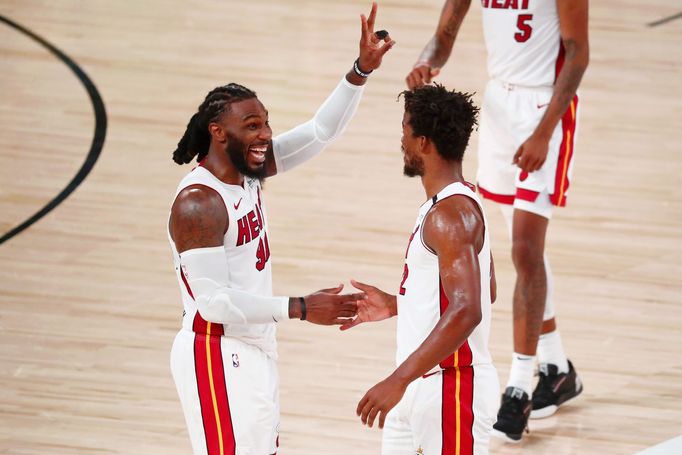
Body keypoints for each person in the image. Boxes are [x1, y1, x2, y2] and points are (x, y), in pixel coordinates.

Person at [166, 4, 394, 454]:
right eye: (252, 125)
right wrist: (302, 307)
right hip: (216, 352)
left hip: (253, 346)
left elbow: (320, 132)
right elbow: (212, 304)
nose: (265, 134)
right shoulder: (199, 203)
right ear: (217, 132)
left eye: (266, 122)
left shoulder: (248, 168)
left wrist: (360, 71)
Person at [405, 0, 589, 443]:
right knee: (518, 247)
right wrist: (426, 62)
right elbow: (444, 36)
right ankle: (557, 368)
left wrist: (545, 131)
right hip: (497, 109)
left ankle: (518, 387)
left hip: (542, 108)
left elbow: (578, 52)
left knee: (525, 250)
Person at [343, 84, 499, 455]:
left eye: (405, 131)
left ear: (424, 142)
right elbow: (484, 292)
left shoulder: (450, 215)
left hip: (450, 390)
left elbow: (469, 308)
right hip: (420, 387)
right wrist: (402, 304)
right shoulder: (454, 205)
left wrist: (397, 380)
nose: (402, 140)